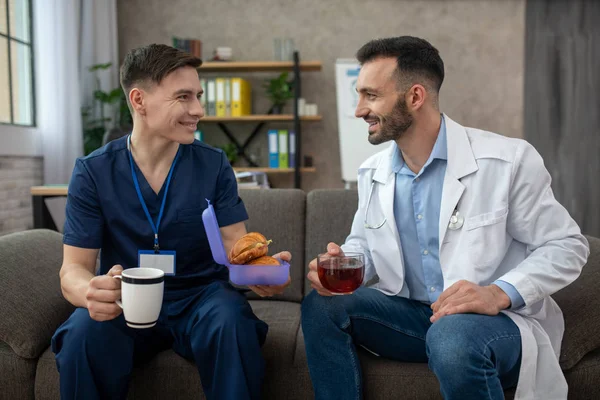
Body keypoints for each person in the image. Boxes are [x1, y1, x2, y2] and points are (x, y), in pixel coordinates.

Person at [301, 36, 589, 400]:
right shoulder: (372, 172)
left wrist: (498, 293)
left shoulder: (507, 160)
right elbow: (365, 243)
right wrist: (343, 259)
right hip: (412, 319)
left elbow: (567, 246)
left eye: (370, 96)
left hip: (491, 324)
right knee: (321, 305)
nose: (359, 110)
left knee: (450, 337)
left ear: (415, 97)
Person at [52, 44, 291, 400]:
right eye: (183, 97)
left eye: (198, 96)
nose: (198, 110)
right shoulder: (93, 171)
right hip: (127, 298)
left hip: (201, 298)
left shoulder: (213, 164)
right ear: (139, 100)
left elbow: (235, 247)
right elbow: (73, 269)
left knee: (233, 322)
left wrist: (260, 272)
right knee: (82, 335)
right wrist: (90, 292)